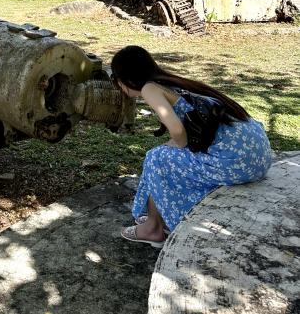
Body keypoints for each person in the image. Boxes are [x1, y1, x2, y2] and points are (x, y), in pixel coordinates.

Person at [111, 46, 273, 248]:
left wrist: (177, 144)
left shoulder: (149, 88)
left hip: (237, 162)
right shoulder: (172, 82)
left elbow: (177, 131)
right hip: (259, 154)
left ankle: (152, 228)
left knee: (156, 157)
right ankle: (156, 217)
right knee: (163, 156)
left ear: (123, 79)